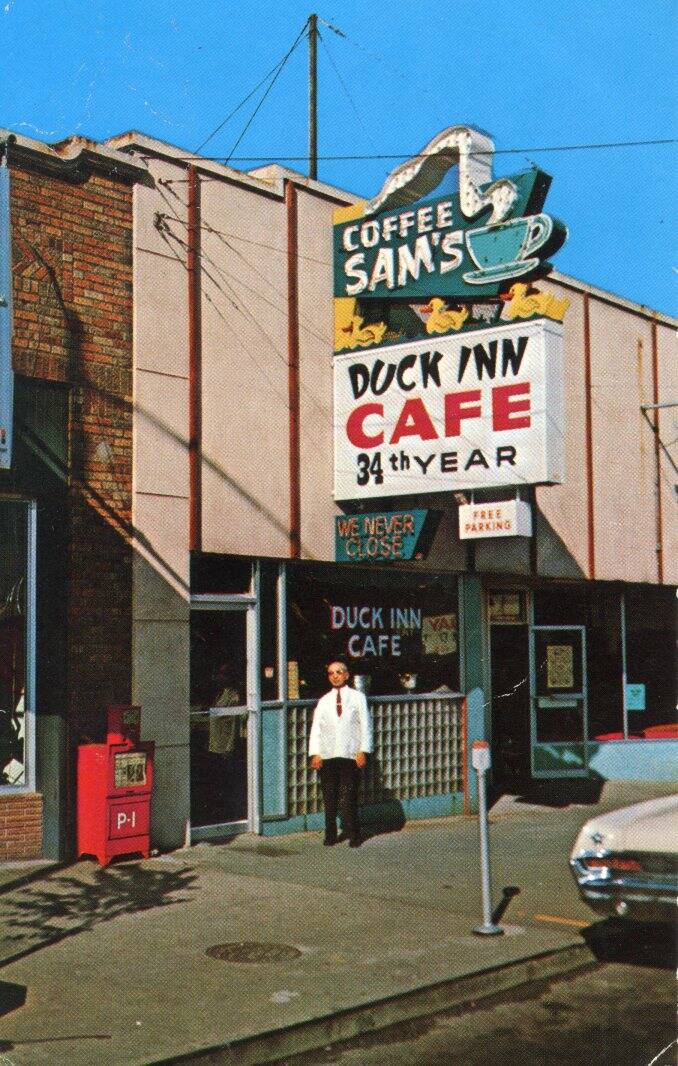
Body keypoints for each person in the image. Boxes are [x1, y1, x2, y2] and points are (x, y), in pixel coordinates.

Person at [308, 660, 373, 847]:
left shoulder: (358, 697)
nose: (335, 676)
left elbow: (366, 725)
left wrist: (363, 750)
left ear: (346, 675)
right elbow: (316, 729)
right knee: (329, 797)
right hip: (328, 754)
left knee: (349, 796)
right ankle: (330, 834)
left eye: (339, 672)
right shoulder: (323, 701)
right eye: (331, 673)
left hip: (350, 754)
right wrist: (315, 753)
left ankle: (354, 834)